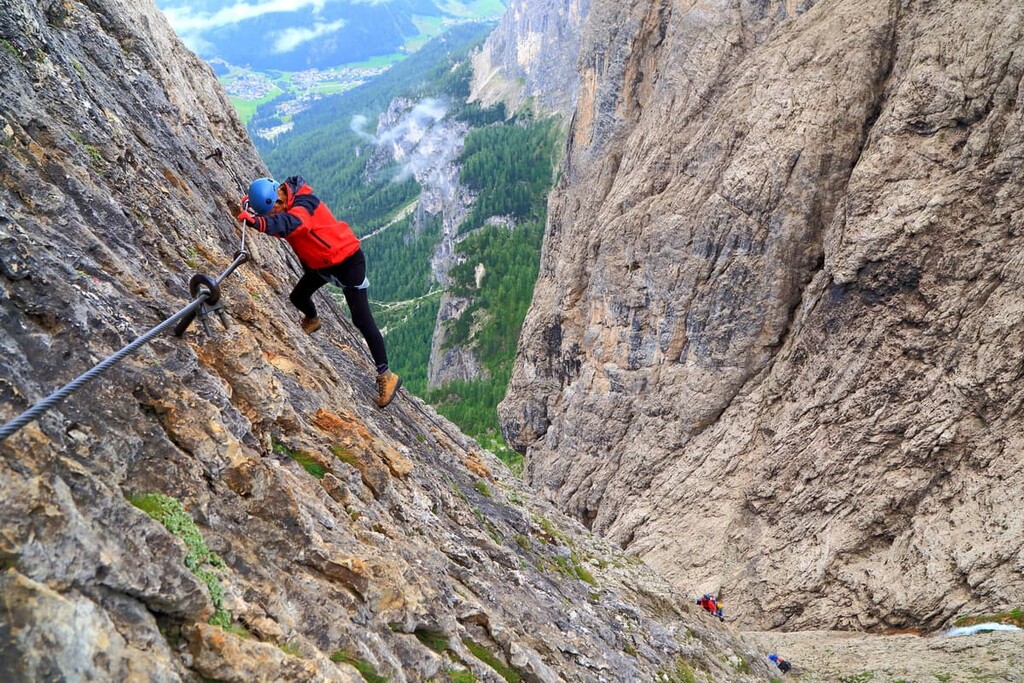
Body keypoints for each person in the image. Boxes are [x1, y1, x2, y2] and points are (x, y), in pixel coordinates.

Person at [236, 176, 401, 408]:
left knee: (362, 320)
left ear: (278, 203)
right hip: (323, 265)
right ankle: (313, 321)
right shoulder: (283, 200)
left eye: (271, 212)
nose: (272, 216)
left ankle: (387, 375)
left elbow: (290, 224)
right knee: (298, 296)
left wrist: (260, 223)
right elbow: (280, 218)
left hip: (347, 264)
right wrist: (254, 208)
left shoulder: (304, 206)